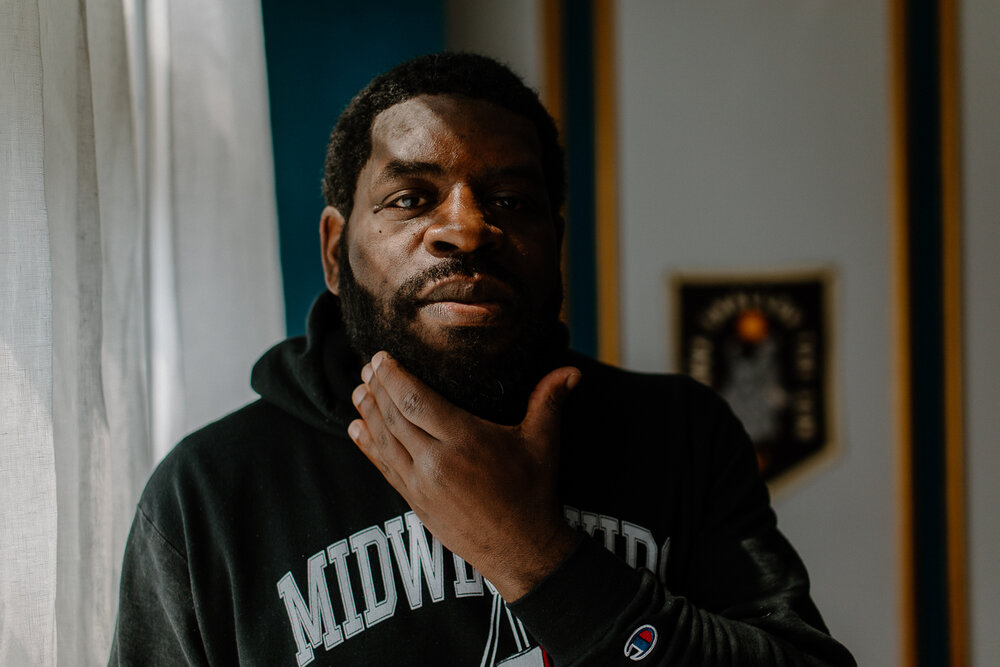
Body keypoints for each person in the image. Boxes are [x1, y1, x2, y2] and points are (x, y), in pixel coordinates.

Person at [109, 52, 855, 666]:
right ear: (336, 252)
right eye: (411, 198)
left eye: (510, 201)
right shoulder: (212, 492)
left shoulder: (678, 437)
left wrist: (538, 555)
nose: (466, 229)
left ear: (555, 245)